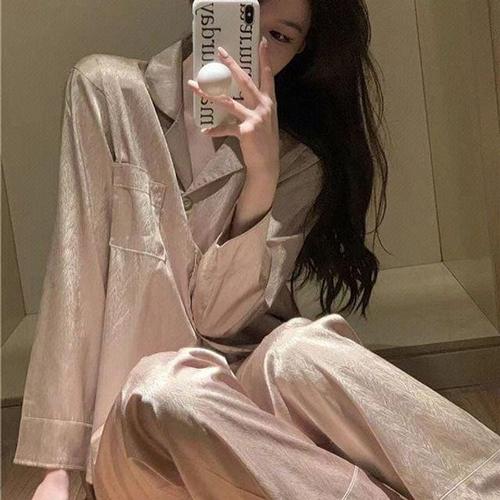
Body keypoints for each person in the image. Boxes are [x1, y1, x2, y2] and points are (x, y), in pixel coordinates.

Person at [14, 0, 500, 498]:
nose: (253, 49)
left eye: (281, 37)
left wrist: (262, 176)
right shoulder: (106, 92)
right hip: (142, 438)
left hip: (252, 423)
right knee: (167, 385)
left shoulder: (298, 160)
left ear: (301, 50)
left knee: (298, 348)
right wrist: (58, 472)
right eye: (247, 15)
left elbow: (218, 317)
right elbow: (75, 275)